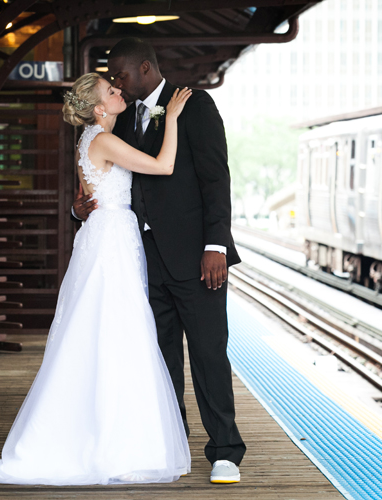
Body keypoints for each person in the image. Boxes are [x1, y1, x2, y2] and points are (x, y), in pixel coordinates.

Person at [0, 74, 193, 485]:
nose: (119, 93)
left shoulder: (90, 138)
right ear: (97, 108)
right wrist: (175, 116)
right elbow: (164, 167)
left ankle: (107, 435)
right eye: (111, 92)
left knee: (101, 329)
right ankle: (117, 443)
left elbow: (88, 195)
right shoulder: (104, 140)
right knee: (117, 330)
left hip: (104, 234)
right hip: (111, 238)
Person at [73, 38, 246, 484]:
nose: (117, 83)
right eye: (112, 79)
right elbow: (101, 179)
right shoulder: (118, 117)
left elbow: (215, 177)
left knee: (208, 352)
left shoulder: (194, 104)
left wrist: (217, 246)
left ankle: (225, 451)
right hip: (142, 261)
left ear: (145, 68)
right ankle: (173, 442)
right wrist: (79, 209)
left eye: (120, 75)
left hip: (197, 258)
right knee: (160, 355)